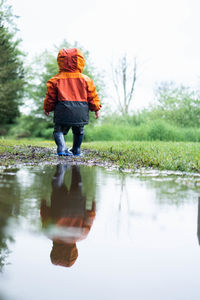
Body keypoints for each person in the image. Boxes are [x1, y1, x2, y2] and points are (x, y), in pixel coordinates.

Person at [43, 48, 101, 156]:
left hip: (62, 109)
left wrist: (47, 108)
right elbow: (92, 96)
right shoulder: (86, 80)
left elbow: (51, 97)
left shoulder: (55, 80)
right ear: (80, 61)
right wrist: (96, 108)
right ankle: (76, 149)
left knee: (58, 130)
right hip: (80, 110)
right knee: (79, 130)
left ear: (61, 62)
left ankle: (62, 148)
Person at [40, 164, 96, 268]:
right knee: (57, 187)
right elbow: (45, 214)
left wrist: (93, 204)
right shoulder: (51, 234)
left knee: (77, 184)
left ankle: (76, 166)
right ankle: (61, 169)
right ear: (54, 250)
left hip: (77, 204)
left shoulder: (81, 235)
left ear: (74, 251)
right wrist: (43, 202)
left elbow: (90, 216)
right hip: (59, 205)